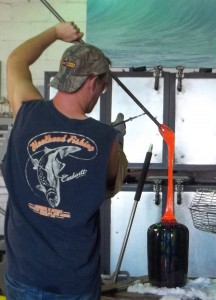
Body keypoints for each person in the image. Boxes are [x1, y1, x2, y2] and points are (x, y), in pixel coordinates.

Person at [2, 22, 128, 300]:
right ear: (93, 82)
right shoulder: (106, 139)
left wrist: (55, 33)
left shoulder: (25, 111)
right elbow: (112, 184)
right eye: (102, 87)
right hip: (73, 285)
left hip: (21, 276)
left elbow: (16, 60)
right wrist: (117, 142)